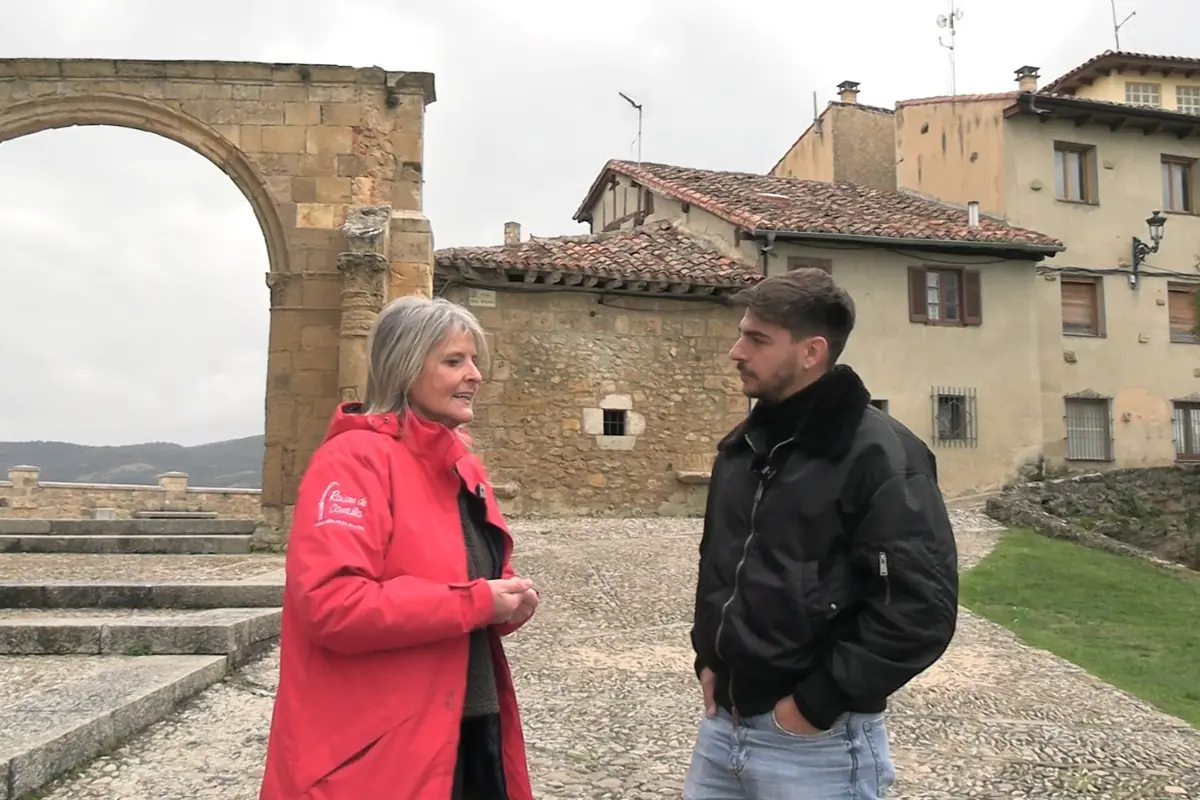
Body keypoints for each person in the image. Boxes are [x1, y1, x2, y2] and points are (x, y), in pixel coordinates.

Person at [685, 268, 959, 799]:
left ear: (812, 352)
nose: (736, 352)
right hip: (723, 731)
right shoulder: (740, 451)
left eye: (757, 339)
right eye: (742, 333)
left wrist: (814, 704)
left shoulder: (884, 458)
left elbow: (919, 611)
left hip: (820, 747)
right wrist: (709, 657)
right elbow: (720, 567)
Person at [259, 296, 539, 800]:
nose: (474, 374)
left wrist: (507, 602)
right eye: (454, 361)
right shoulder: (352, 462)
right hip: (383, 753)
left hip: (470, 727)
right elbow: (332, 605)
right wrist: (476, 601)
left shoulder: (462, 465)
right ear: (405, 368)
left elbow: (463, 582)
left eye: (474, 360)